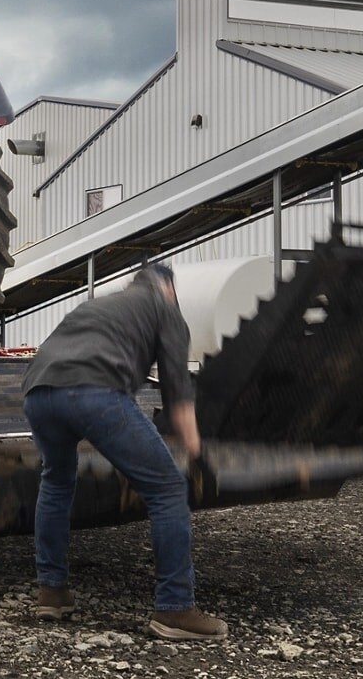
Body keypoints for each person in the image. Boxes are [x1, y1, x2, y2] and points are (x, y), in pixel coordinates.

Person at [22, 262, 226, 641]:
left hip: (37, 391)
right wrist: (198, 454)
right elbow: (178, 396)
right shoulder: (166, 311)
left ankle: (52, 591)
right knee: (166, 489)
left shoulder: (96, 305)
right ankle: (175, 608)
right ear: (168, 290)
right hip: (93, 390)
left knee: (56, 480)